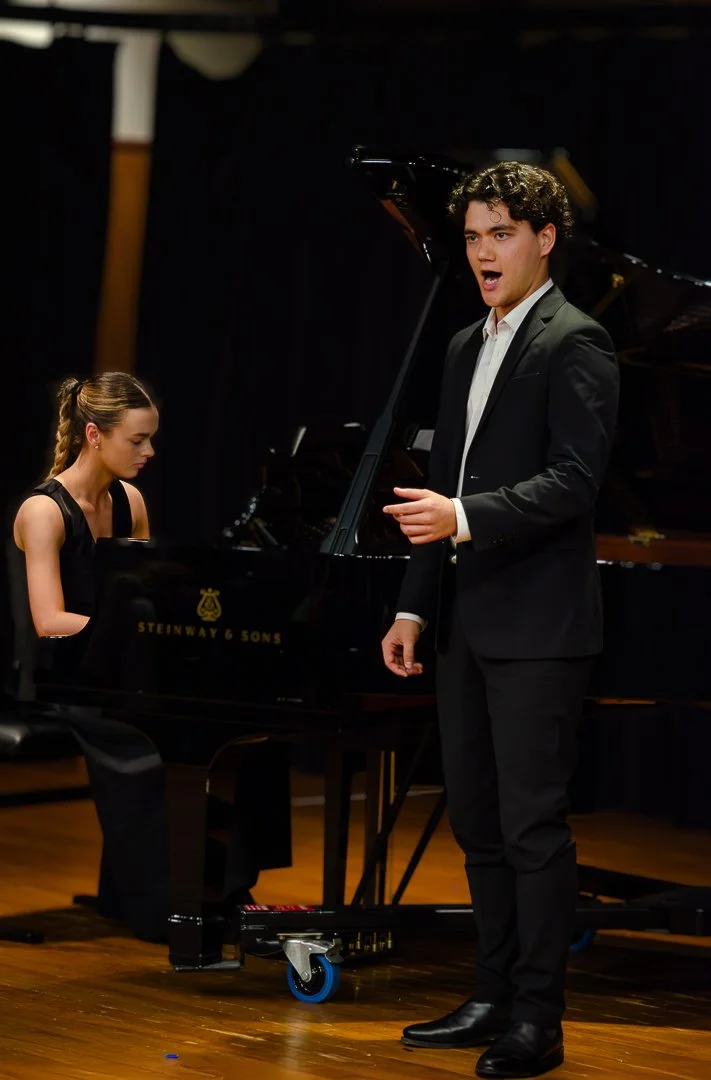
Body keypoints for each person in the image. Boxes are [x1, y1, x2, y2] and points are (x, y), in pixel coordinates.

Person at [381, 162, 619, 1079]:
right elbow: (437, 493)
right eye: (474, 237)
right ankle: (487, 994)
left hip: (539, 624)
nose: (484, 253)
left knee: (529, 826)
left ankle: (536, 1018)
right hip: (463, 617)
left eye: (501, 235)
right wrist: (411, 599)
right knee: (476, 821)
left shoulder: (577, 342)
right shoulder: (460, 346)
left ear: (544, 239)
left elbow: (573, 481)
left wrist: (465, 521)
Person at [12, 373, 286, 942]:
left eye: (151, 439)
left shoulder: (128, 500)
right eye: (137, 440)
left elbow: (143, 593)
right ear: (94, 434)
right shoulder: (42, 510)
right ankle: (164, 900)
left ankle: (223, 888)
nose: (150, 451)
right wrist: (139, 632)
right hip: (59, 679)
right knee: (153, 742)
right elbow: (49, 621)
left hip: (114, 671)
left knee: (241, 728)